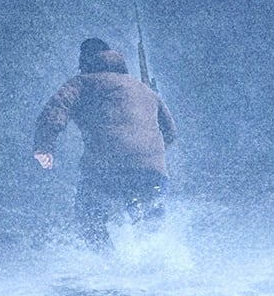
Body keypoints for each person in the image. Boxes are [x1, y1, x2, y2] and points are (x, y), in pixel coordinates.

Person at [33, 38, 177, 244]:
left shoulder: (82, 82)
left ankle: (104, 265)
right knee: (149, 225)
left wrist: (44, 147)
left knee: (89, 217)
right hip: (152, 171)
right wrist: (147, 154)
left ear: (84, 60)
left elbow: (56, 109)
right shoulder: (144, 89)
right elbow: (170, 133)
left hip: (106, 167)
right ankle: (157, 264)